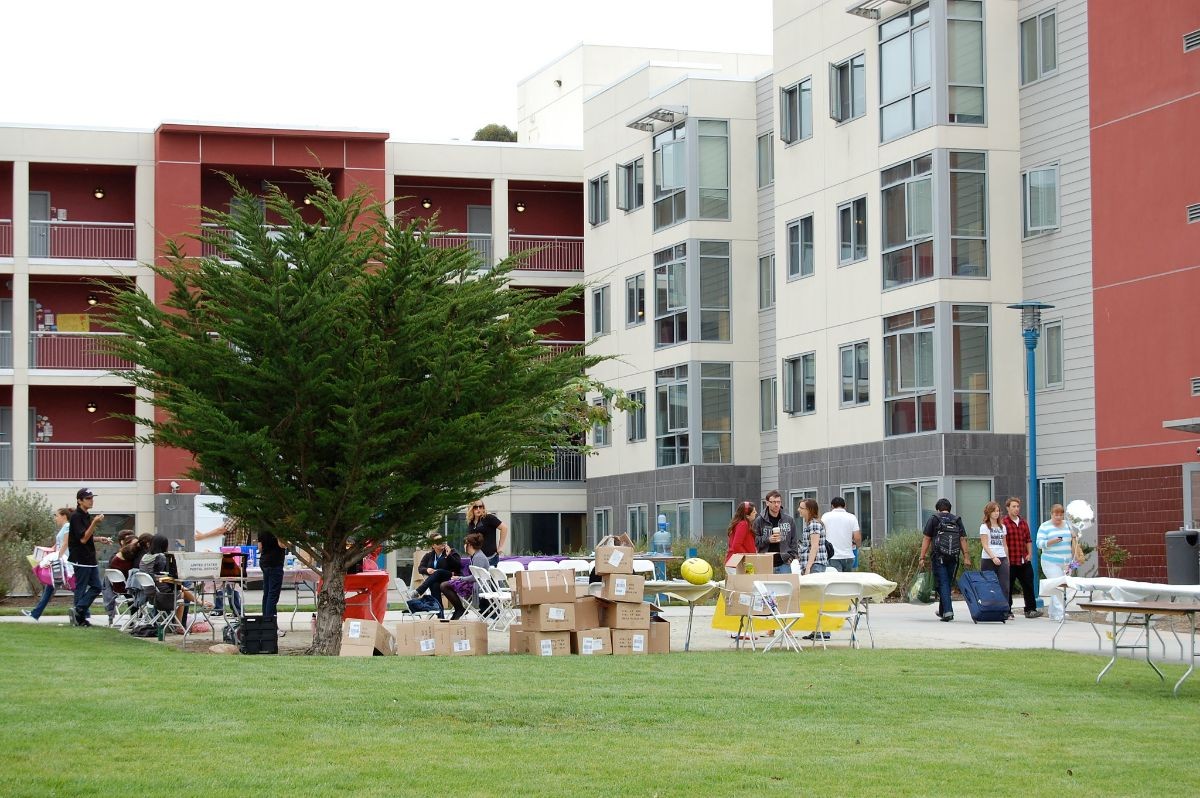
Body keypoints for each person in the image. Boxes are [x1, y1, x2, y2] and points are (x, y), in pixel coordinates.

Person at [919, 498, 972, 622]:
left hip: (939, 557)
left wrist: (922, 556)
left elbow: (927, 538)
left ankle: (948, 611)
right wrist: (966, 557)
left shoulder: (934, 518)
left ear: (938, 509)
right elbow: (963, 539)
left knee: (942, 583)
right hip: (953, 556)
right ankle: (943, 610)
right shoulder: (956, 520)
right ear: (949, 509)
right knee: (946, 583)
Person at [139, 534, 208, 627]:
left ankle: (199, 602)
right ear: (164, 545)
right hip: (161, 594)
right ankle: (179, 625)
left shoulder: (144, 558)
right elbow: (168, 577)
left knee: (181, 588)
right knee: (181, 594)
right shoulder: (161, 557)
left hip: (149, 594)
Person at [67, 488, 112, 627]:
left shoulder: (86, 515)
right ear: (79, 501)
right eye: (88, 498)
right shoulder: (76, 516)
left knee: (97, 587)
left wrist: (99, 539)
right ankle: (80, 618)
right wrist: (94, 523)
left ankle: (79, 610)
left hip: (89, 558)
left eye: (92, 498)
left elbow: (87, 536)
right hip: (81, 558)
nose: (91, 500)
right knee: (81, 588)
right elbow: (82, 539)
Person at [22, 508, 72, 621]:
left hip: (65, 562)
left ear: (64, 516)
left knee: (74, 587)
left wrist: (57, 558)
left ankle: (85, 612)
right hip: (60, 560)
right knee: (50, 586)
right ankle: (35, 614)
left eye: (57, 515)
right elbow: (59, 544)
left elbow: (65, 544)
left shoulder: (68, 526)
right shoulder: (63, 528)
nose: (55, 518)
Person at [1036, 504, 1080, 622]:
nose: (1058, 517)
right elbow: (1039, 543)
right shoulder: (1045, 526)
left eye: (1061, 514)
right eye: (1056, 514)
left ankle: (1053, 613)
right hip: (1050, 561)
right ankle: (1061, 612)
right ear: (1051, 514)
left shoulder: (1067, 525)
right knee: (1057, 586)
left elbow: (1073, 538)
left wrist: (1074, 536)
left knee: (1063, 587)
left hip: (1066, 562)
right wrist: (1051, 542)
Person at [1001, 497, 1041, 619]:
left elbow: (1028, 539)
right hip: (1010, 561)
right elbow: (1003, 542)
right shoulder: (1004, 523)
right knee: (1008, 586)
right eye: (1013, 506)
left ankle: (1030, 609)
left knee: (1028, 584)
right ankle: (1007, 610)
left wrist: (1030, 553)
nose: (1016, 509)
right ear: (1008, 508)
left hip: (1023, 559)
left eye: (1018, 506)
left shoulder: (1023, 522)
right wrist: (1005, 558)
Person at [411, 534, 462, 620]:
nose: (441, 543)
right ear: (433, 545)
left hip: (451, 577)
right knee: (434, 584)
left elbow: (458, 565)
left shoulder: (451, 551)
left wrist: (449, 555)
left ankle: (419, 591)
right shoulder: (429, 555)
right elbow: (420, 568)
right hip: (437, 580)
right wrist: (427, 570)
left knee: (438, 572)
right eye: (438, 542)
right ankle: (440, 615)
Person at [442, 532, 490, 621]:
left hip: (477, 585)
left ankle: (459, 609)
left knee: (444, 585)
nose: (464, 545)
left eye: (465, 543)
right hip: (474, 583)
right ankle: (459, 608)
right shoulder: (475, 555)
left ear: (470, 545)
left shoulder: (478, 557)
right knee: (445, 584)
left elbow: (475, 577)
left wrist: (460, 578)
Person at [979, 501, 1011, 618]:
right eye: (994, 511)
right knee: (988, 585)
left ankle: (1004, 610)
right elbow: (985, 544)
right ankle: (988, 609)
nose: (996, 513)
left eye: (998, 511)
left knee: (1004, 585)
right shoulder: (984, 527)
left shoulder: (1002, 527)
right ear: (989, 513)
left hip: (1002, 557)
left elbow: (1005, 544)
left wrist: (1007, 559)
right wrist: (993, 557)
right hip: (988, 558)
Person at [753, 490, 797, 574]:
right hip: (765, 562)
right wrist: (768, 539)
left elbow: (794, 540)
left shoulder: (789, 520)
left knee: (785, 586)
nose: (776, 505)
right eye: (773, 502)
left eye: (778, 502)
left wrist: (791, 557)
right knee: (766, 587)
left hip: (784, 562)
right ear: (767, 503)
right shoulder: (759, 520)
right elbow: (754, 540)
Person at [100, 528, 137, 625]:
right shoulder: (120, 557)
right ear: (122, 542)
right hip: (125, 587)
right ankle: (137, 618)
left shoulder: (121, 556)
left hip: (119, 588)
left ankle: (135, 618)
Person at [258, 529, 288, 632]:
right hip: (275, 562)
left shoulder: (262, 527)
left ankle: (267, 621)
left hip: (264, 561)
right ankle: (269, 624)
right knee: (273, 595)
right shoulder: (278, 527)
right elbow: (282, 544)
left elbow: (260, 548)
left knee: (267, 594)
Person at [821, 496, 862, 574]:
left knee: (837, 583)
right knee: (848, 583)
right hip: (849, 556)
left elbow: (822, 534)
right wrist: (857, 547)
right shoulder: (852, 517)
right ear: (845, 506)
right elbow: (857, 537)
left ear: (832, 506)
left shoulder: (825, 517)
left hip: (832, 556)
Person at [466, 501, 509, 567]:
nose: (478, 509)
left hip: (490, 557)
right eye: (475, 507)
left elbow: (504, 528)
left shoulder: (488, 518)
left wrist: (500, 546)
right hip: (476, 557)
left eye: (480, 507)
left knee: (489, 577)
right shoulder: (471, 522)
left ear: (483, 508)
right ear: (471, 509)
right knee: (477, 577)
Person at [795, 499, 828, 575]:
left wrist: (808, 567)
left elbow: (814, 546)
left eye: (801, 508)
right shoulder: (811, 524)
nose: (798, 509)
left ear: (809, 510)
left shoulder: (814, 524)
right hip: (814, 564)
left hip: (815, 564)